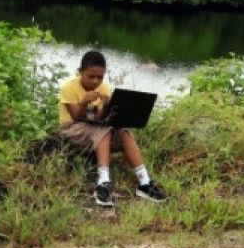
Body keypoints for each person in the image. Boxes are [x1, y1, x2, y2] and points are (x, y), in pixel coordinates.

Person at [57, 50, 167, 207]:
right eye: (91, 76)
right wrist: (84, 102)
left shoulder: (104, 88)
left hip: (93, 126)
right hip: (71, 128)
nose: (96, 81)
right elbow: (75, 116)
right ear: (80, 72)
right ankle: (103, 183)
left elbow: (99, 118)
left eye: (100, 77)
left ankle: (144, 182)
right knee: (105, 131)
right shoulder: (68, 87)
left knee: (123, 133)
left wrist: (111, 109)